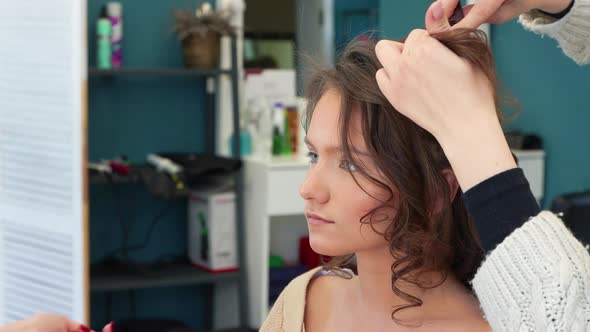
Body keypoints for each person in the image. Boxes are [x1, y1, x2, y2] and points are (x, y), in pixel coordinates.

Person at [261, 0, 590, 331]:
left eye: (350, 164)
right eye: (314, 156)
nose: (308, 189)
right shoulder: (302, 301)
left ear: (436, 190)